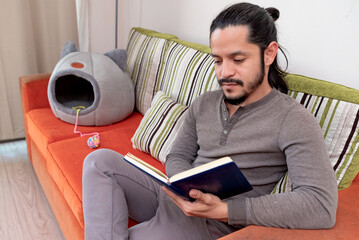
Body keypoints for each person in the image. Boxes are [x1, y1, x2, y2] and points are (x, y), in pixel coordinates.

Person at [82, 2, 338, 240]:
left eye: (238, 60)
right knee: (98, 162)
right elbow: (177, 155)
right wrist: (186, 187)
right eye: (218, 60)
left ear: (268, 53)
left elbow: (320, 204)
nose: (225, 72)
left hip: (209, 223)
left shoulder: (293, 119)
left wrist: (225, 210)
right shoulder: (205, 103)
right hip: (175, 199)